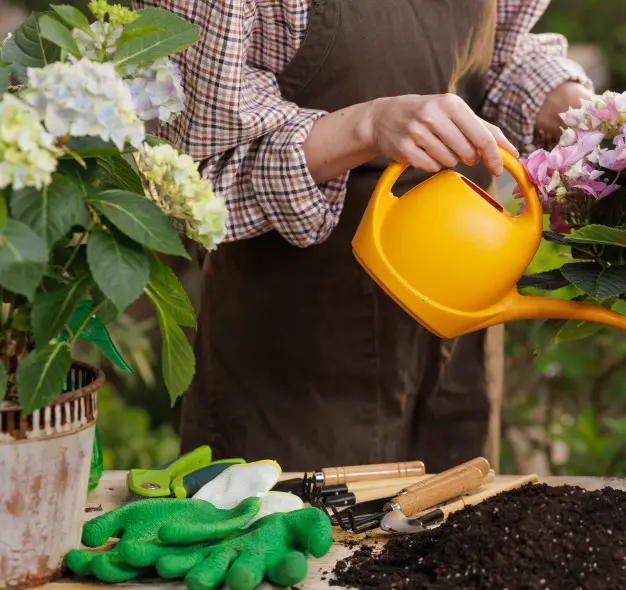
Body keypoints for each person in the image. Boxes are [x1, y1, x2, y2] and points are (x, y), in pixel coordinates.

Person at [137, 0, 594, 472]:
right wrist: (367, 126)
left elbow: (497, 54)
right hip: (299, 354)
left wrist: (577, 114)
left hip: (460, 332)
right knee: (301, 539)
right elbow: (191, 175)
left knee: (458, 531)